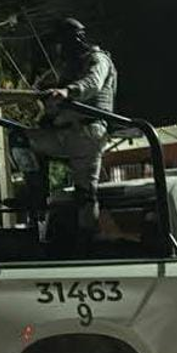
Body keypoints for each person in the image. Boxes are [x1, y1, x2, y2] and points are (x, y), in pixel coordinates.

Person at [23, 18, 118, 235]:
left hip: (87, 132)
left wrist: (67, 91)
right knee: (22, 139)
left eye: (62, 44)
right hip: (63, 133)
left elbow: (92, 83)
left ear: (75, 41)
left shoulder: (98, 59)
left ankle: (87, 238)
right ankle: (37, 196)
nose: (59, 50)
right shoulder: (69, 68)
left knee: (85, 193)